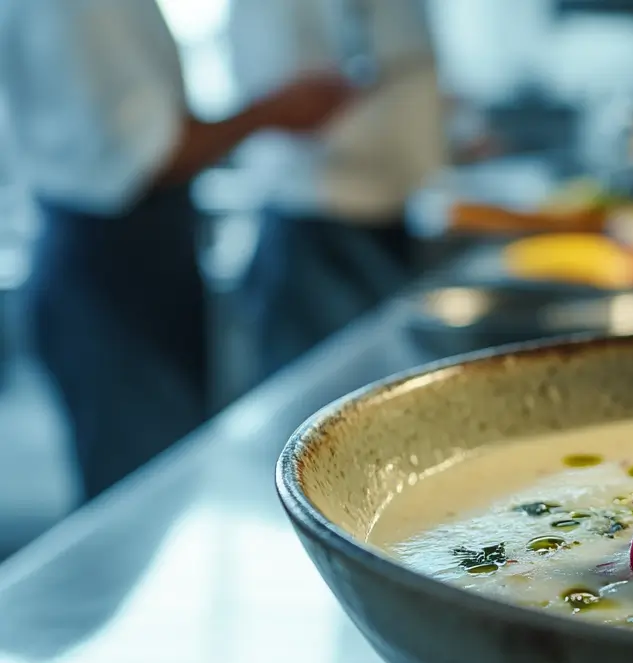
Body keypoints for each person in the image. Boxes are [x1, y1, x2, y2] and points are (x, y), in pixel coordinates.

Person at [0, 0, 354, 502]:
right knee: (144, 502)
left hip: (121, 254)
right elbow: (149, 153)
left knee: (155, 484)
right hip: (110, 268)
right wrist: (276, 110)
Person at [226, 0, 445, 379]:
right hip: (319, 217)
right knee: (323, 398)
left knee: (384, 380)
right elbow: (298, 96)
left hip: (386, 208)